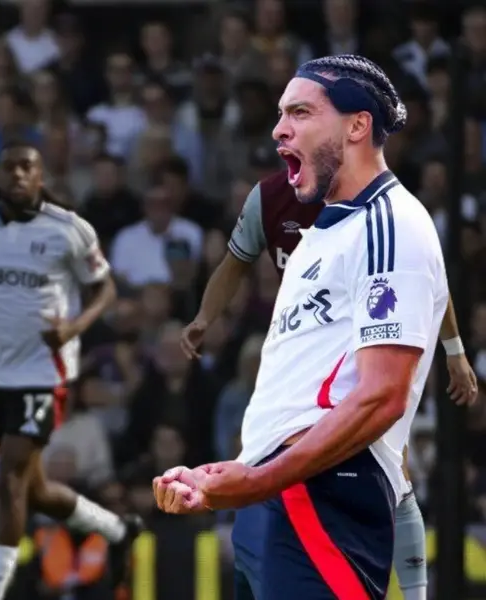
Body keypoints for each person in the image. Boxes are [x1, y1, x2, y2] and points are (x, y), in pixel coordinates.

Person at [154, 55, 446, 600]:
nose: (279, 129)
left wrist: (260, 479)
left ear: (357, 126)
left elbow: (382, 396)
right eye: (280, 114)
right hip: (275, 495)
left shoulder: (390, 224)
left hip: (323, 491)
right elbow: (297, 396)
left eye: (300, 112)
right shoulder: (319, 237)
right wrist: (228, 474)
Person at [182, 168, 479, 600]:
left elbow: (427, 276)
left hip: (358, 337)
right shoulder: (266, 199)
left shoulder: (377, 208)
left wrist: (453, 350)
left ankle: (416, 593)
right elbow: (234, 263)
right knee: (274, 449)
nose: (287, 141)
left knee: (394, 465)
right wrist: (204, 317)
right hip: (298, 341)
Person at [0, 142, 142, 599]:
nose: (17, 174)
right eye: (9, 167)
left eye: (26, 167)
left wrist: (73, 328)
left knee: (9, 476)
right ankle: (117, 529)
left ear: (40, 176)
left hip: (46, 372)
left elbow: (105, 289)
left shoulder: (68, 229)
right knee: (32, 489)